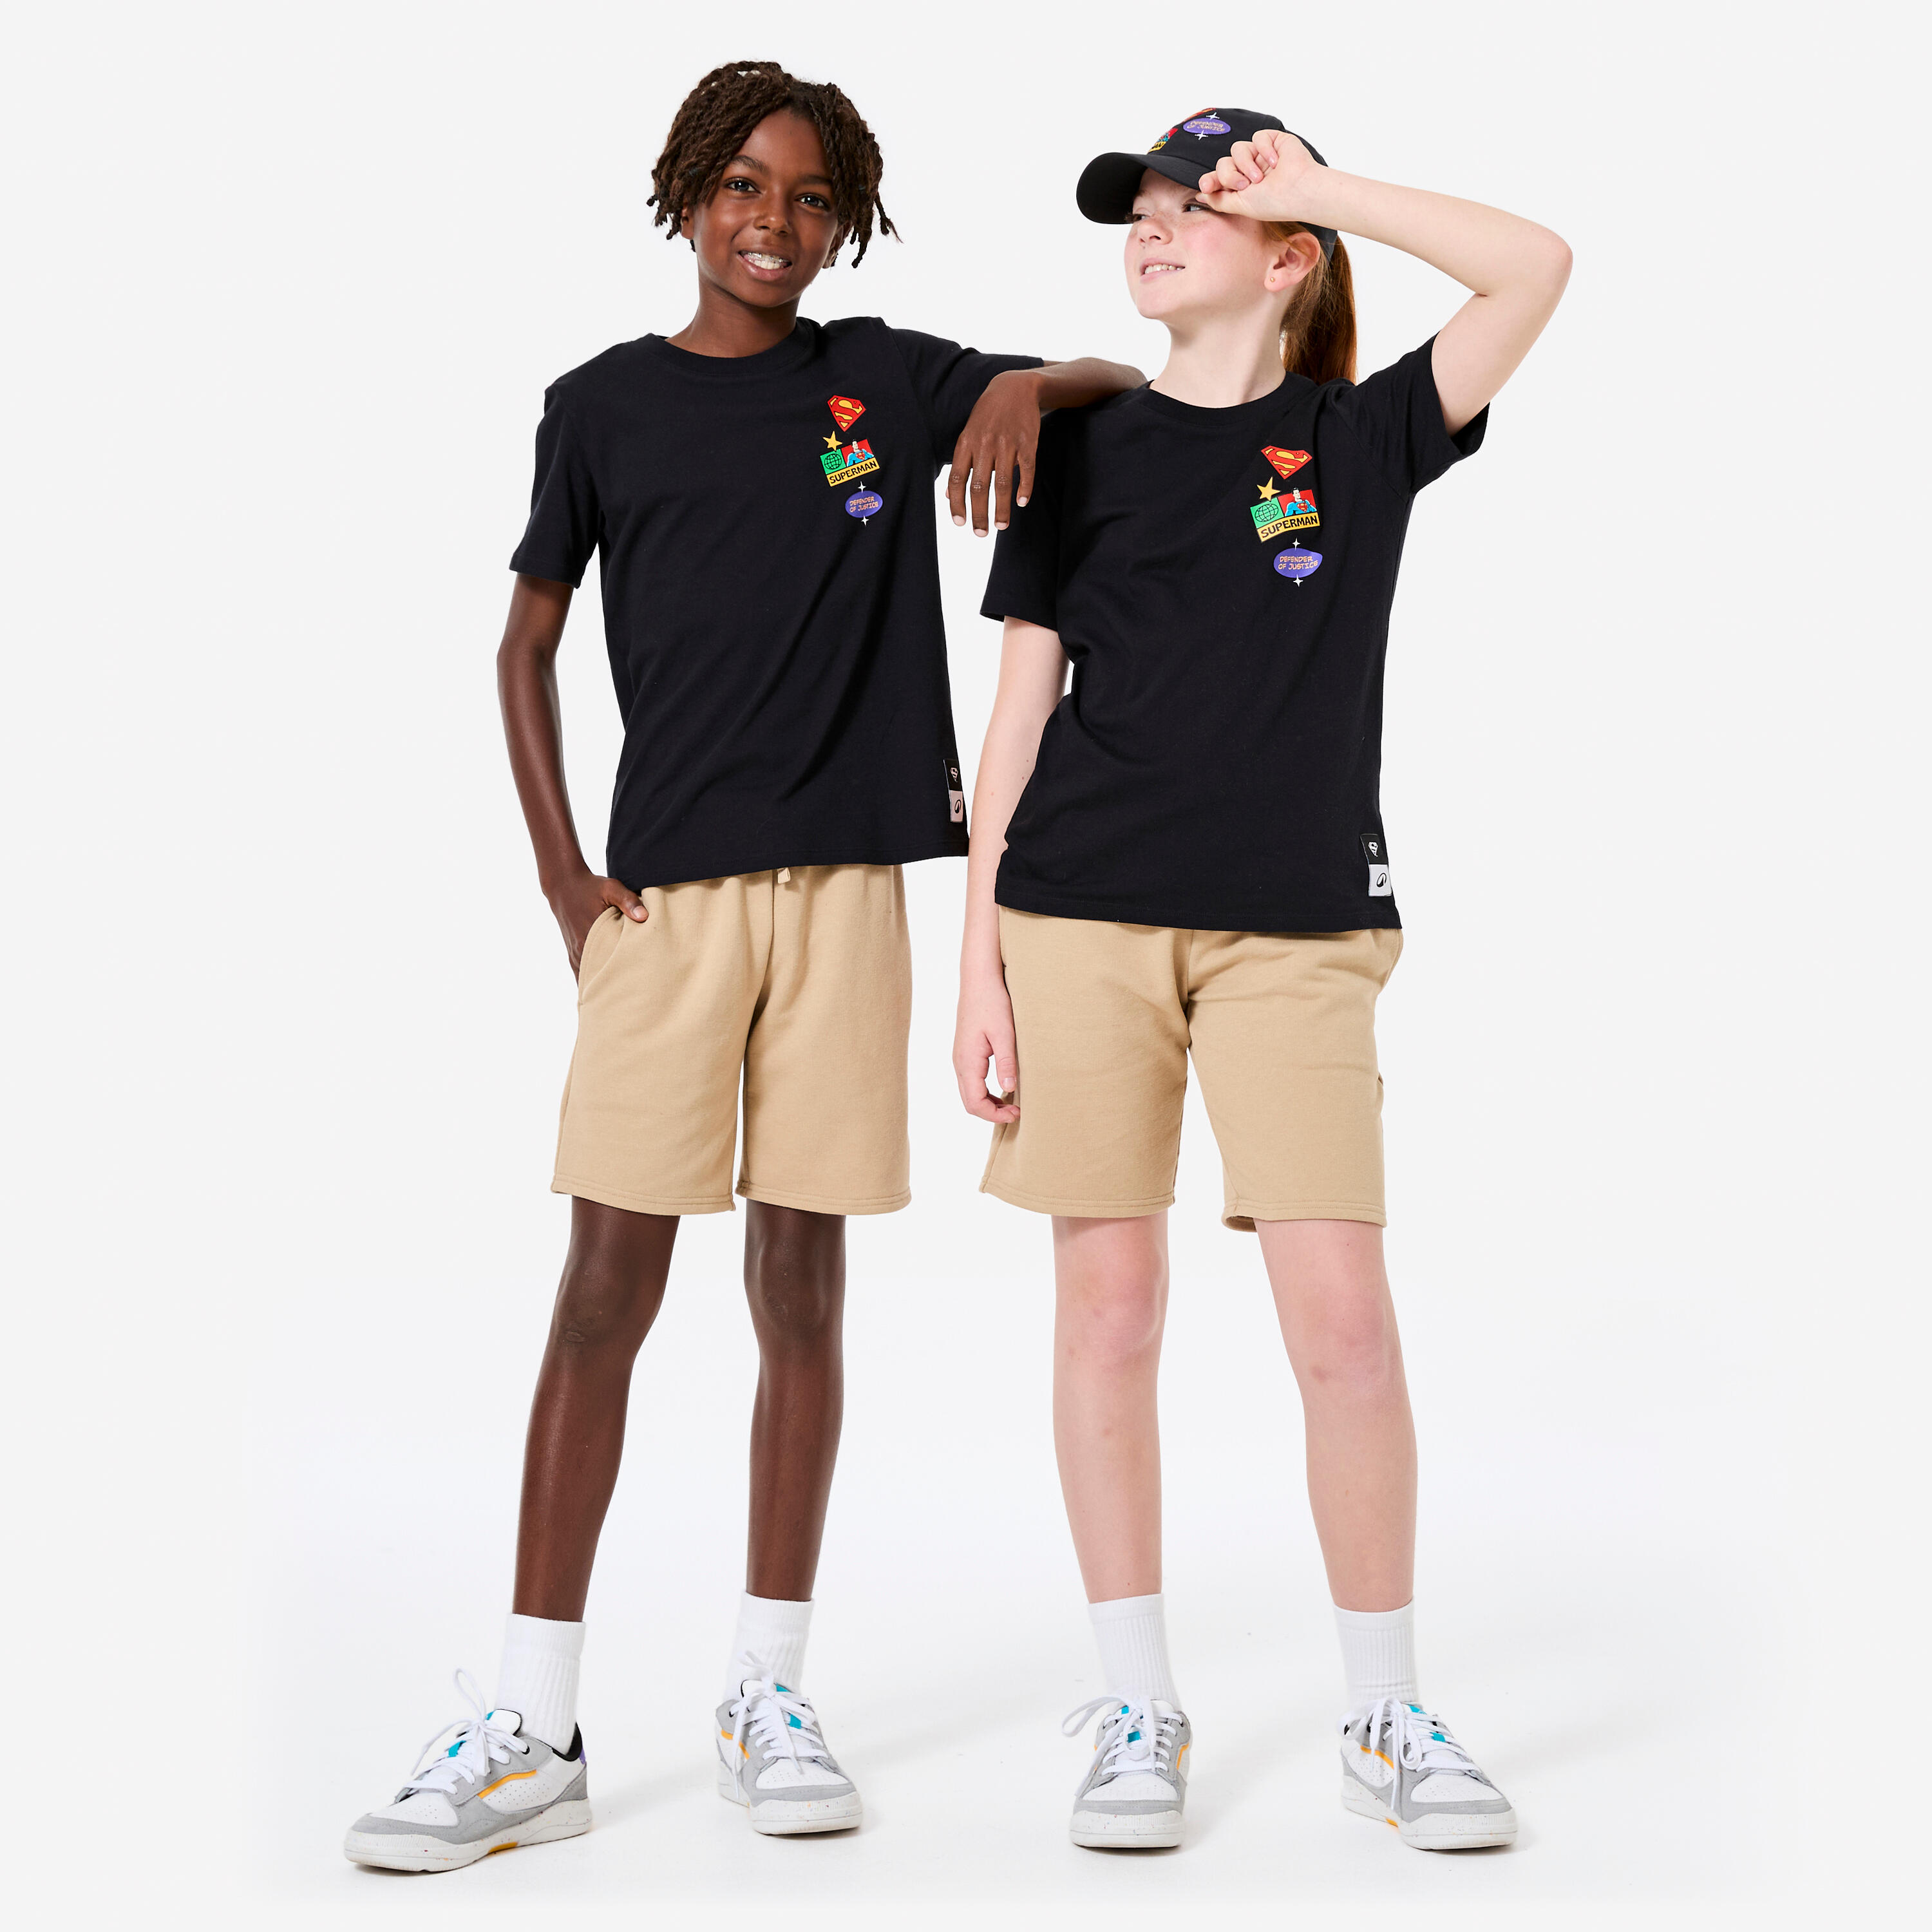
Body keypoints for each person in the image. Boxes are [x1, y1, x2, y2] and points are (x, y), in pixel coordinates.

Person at [343, 60, 1140, 1872]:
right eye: (744, 188)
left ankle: (767, 1691)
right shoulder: (601, 407)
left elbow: (1111, 381)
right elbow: (523, 644)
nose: (774, 224)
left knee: (803, 1291)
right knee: (603, 1290)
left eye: (810, 198)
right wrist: (562, 877)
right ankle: (533, 1722)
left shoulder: (884, 379)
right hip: (665, 914)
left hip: (848, 898)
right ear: (688, 194)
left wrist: (1022, 381)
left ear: (845, 223)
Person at [953, 108, 1569, 1852]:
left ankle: (1387, 1712)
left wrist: (1320, 188)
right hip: (1078, 919)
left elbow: (1536, 267)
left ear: (1288, 258)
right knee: (1108, 1312)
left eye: (1192, 209)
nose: (1149, 233)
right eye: (1135, 214)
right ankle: (1135, 1707)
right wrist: (976, 963)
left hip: (1297, 930)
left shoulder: (1360, 437)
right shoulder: (1073, 445)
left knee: (1343, 1323)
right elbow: (1014, 717)